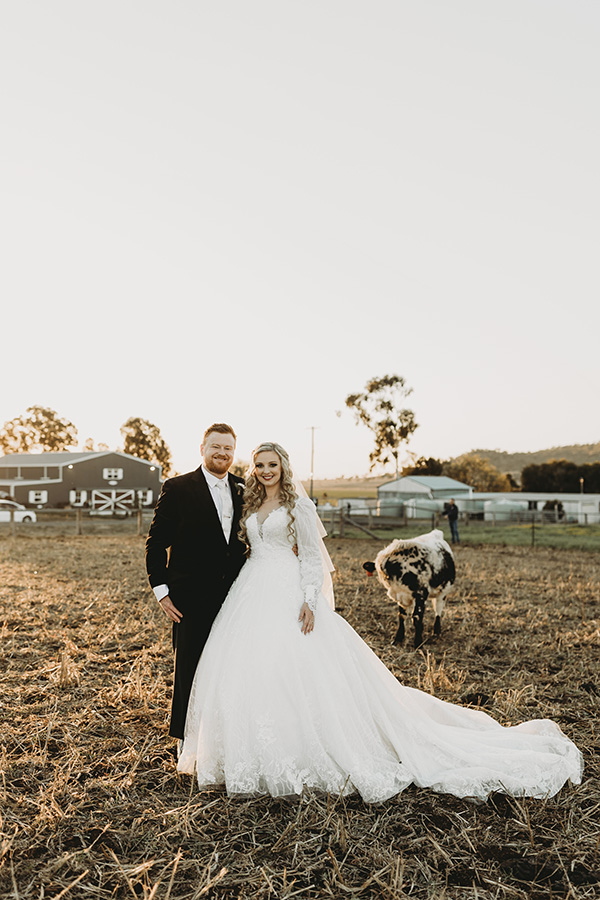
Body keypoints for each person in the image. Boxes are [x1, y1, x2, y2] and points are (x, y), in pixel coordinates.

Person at [177, 442, 583, 803]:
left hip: (287, 591)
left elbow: (312, 559)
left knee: (296, 668)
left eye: (272, 464)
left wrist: (308, 600)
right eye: (260, 464)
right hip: (251, 591)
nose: (266, 470)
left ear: (283, 466)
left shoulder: (296, 504)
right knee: (249, 669)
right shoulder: (251, 503)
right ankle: (243, 754)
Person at [145, 423, 246, 741]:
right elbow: (156, 543)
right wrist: (162, 592)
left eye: (228, 448)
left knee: (230, 668)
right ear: (202, 449)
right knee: (189, 668)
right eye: (216, 446)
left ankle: (222, 736)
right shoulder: (177, 488)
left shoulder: (244, 489)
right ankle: (184, 741)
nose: (222, 453)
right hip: (190, 596)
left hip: (236, 597)